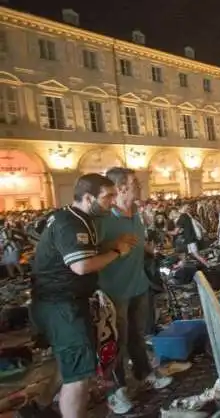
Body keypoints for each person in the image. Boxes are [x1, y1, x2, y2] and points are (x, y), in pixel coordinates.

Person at [30, 174, 136, 418]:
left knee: (69, 363)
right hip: (61, 305)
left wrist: (110, 246)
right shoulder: (72, 223)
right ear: (89, 198)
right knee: (78, 377)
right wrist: (118, 251)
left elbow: (80, 253)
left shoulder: (76, 217)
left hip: (60, 302)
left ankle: (39, 406)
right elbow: (81, 266)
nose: (113, 200)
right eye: (108, 196)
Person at [98, 168, 172, 414]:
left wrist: (148, 252)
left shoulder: (136, 212)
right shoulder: (103, 217)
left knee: (138, 336)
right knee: (114, 344)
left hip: (138, 285)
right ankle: (115, 390)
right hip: (113, 291)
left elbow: (137, 243)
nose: (140, 186)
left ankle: (144, 373)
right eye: (135, 183)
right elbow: (90, 251)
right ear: (121, 188)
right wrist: (113, 246)